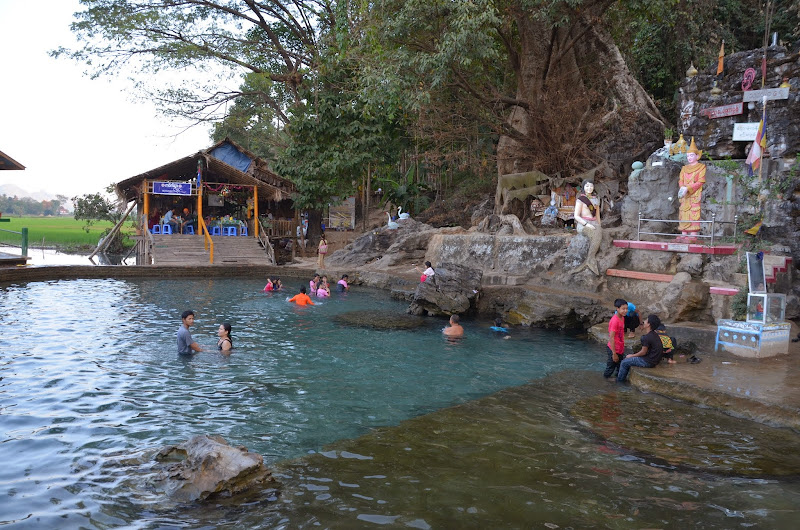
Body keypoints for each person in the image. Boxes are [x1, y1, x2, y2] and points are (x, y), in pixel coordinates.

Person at [617, 314, 665, 382]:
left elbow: (643, 352)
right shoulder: (654, 334)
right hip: (654, 360)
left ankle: (619, 381)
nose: (644, 321)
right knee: (627, 356)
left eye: (646, 320)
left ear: (648, 324)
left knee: (624, 362)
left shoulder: (646, 337)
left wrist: (632, 355)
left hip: (648, 362)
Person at [677, 137, 706, 242]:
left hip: (694, 194)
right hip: (684, 194)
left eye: (692, 155)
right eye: (688, 156)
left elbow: (700, 182)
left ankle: (693, 234)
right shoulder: (684, 168)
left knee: (694, 212)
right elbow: (680, 180)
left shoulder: (701, 167)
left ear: (697, 156)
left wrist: (688, 188)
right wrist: (682, 188)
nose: (689, 157)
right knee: (683, 212)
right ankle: (683, 233)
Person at [574, 180, 602, 275]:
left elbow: (597, 215)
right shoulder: (581, 200)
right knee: (595, 234)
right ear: (583, 187)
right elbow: (576, 216)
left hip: (594, 223)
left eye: (591, 186)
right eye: (587, 186)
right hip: (583, 224)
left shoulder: (596, 199)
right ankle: (590, 259)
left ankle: (590, 259)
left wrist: (599, 225)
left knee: (598, 231)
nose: (589, 188)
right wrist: (586, 224)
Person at [604, 298, 628, 378]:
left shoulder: (622, 318)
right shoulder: (615, 321)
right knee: (610, 368)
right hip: (613, 349)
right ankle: (606, 382)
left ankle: (616, 383)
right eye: (623, 309)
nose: (625, 311)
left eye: (626, 309)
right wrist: (614, 353)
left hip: (620, 348)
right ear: (617, 309)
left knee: (619, 367)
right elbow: (611, 338)